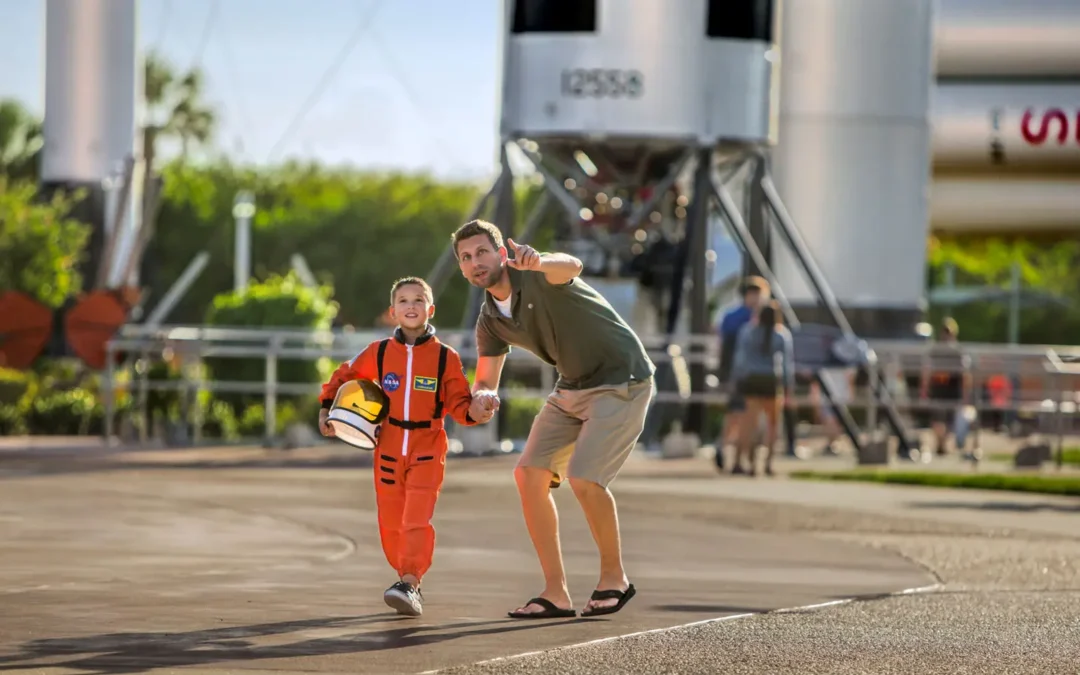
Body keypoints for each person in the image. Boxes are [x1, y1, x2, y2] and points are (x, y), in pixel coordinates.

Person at [451, 219, 655, 619]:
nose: (475, 262)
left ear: (501, 253)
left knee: (584, 478)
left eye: (482, 252)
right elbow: (486, 379)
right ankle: (555, 593)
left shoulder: (539, 275)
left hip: (622, 380)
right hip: (572, 387)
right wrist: (483, 398)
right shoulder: (490, 319)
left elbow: (572, 267)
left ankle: (615, 578)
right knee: (528, 476)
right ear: (461, 268)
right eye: (466, 257)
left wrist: (539, 260)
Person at [317, 276, 496, 617]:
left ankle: (411, 582)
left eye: (418, 300)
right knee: (391, 521)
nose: (411, 305)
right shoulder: (379, 352)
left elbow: (460, 402)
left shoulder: (446, 357)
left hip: (427, 446)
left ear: (430, 309)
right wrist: (328, 409)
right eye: (403, 300)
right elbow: (344, 375)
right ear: (392, 312)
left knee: (417, 517)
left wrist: (476, 409)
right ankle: (403, 578)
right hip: (387, 445)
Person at [730, 300, 794, 476]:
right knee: (773, 424)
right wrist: (789, 387)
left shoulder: (748, 332)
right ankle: (768, 463)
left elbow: (740, 360)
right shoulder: (781, 335)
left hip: (752, 379)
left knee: (750, 423)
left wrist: (736, 381)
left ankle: (749, 462)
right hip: (772, 380)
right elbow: (788, 364)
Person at [715, 277, 768, 471]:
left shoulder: (763, 316)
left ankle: (737, 455)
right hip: (738, 373)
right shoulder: (739, 318)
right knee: (738, 414)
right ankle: (726, 449)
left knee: (746, 416)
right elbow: (725, 348)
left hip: (750, 374)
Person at [919, 317, 972, 456]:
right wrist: (924, 389)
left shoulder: (957, 351)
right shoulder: (939, 350)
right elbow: (927, 371)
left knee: (947, 420)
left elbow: (965, 374)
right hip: (939, 389)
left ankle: (941, 444)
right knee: (938, 419)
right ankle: (940, 443)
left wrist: (965, 393)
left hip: (951, 390)